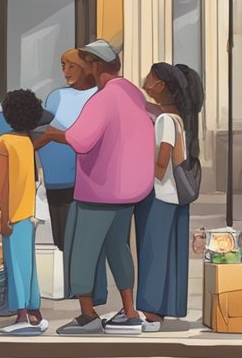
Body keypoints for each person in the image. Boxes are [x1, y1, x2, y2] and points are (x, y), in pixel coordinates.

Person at [38, 40, 154, 336]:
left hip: (99, 190)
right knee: (119, 247)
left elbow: (81, 140)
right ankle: (129, 312)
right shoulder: (132, 93)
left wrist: (52, 135)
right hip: (128, 189)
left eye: (86, 64)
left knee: (82, 251)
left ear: (96, 66)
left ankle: (88, 315)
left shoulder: (103, 100)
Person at [134, 63, 203, 332]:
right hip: (176, 198)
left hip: (159, 196)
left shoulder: (163, 120)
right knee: (171, 254)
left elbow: (161, 164)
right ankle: (165, 309)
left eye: (149, 78)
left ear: (161, 85)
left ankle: (151, 312)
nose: (145, 83)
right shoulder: (180, 118)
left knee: (153, 254)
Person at [42, 49, 106, 306]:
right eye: (62, 65)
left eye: (72, 65)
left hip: (88, 179)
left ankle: (88, 294)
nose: (66, 71)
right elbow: (45, 131)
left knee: (87, 239)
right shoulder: (55, 97)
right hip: (56, 178)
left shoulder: (100, 97)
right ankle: (75, 290)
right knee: (64, 239)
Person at [0, 89, 47, 335]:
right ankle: (35, 309)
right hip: (28, 211)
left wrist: (3, 217)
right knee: (29, 263)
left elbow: (3, 185)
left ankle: (21, 314)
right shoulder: (28, 142)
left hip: (13, 213)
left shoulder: (4, 142)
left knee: (14, 263)